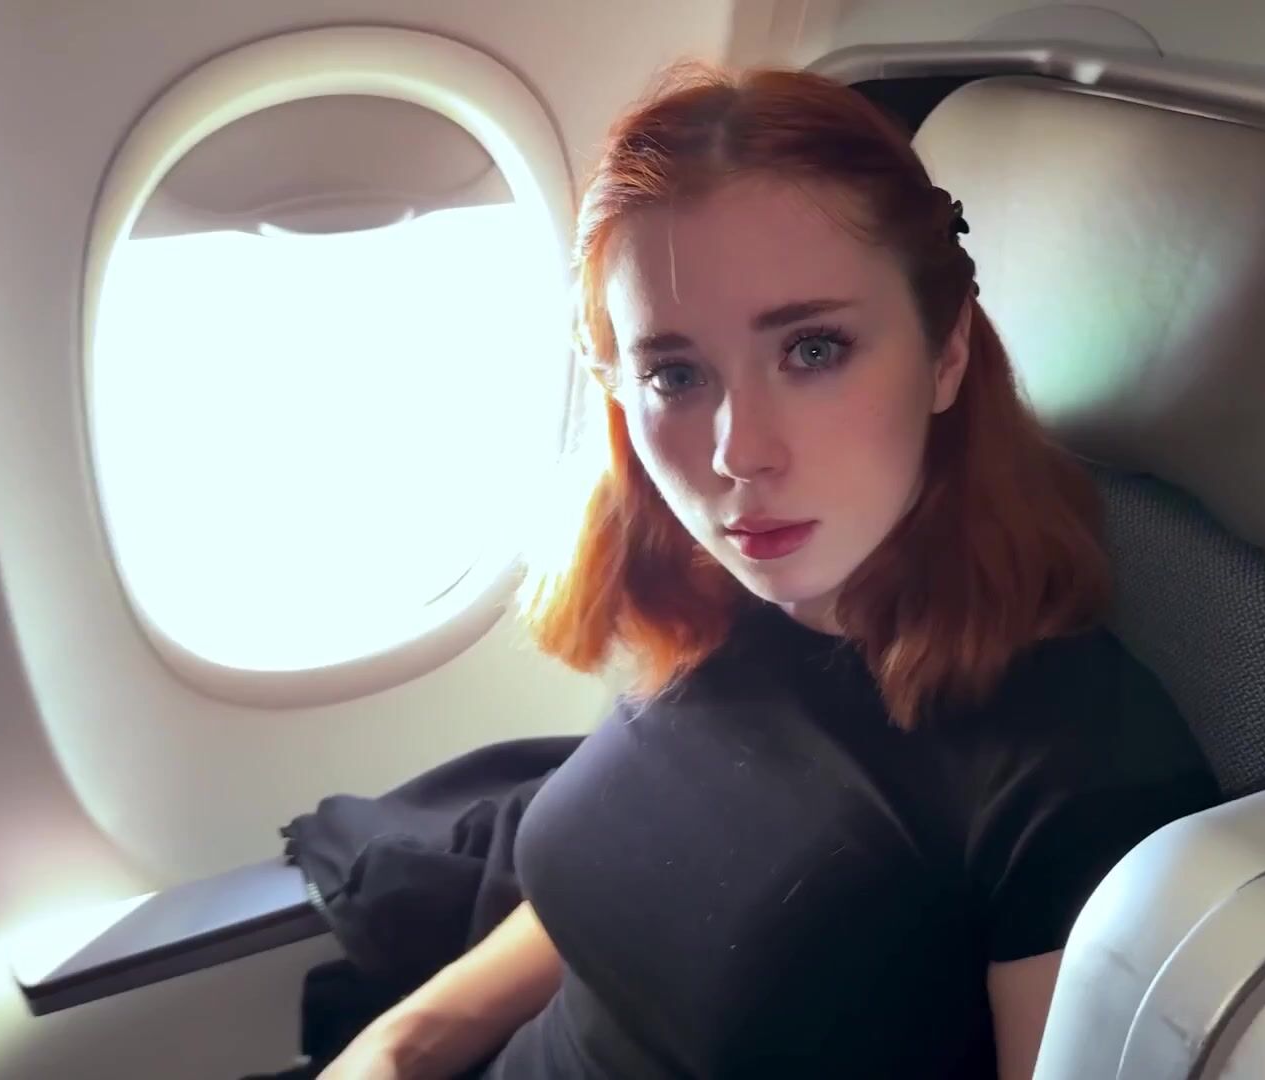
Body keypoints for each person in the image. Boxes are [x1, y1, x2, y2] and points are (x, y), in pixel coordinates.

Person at [320, 62, 1217, 1080]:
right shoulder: (722, 605)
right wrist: (394, 1047)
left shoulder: (1080, 776)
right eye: (676, 374)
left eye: (813, 349)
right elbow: (606, 908)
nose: (739, 452)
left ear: (947, 354)